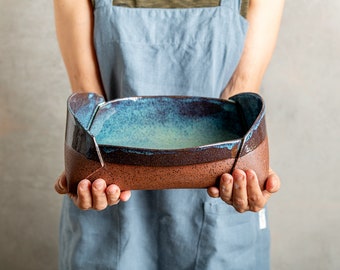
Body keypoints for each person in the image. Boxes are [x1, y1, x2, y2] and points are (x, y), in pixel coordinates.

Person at [53, 0, 284, 269]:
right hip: (107, 197)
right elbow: (91, 110)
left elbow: (238, 99)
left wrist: (245, 163)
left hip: (222, 195)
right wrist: (87, 162)